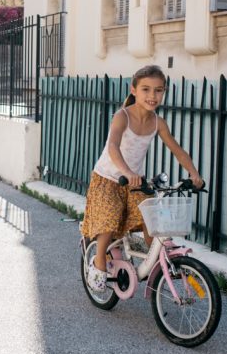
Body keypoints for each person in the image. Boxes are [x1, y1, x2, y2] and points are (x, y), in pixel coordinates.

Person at [81, 65, 204, 292]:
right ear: (134, 90)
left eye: (158, 90)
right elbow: (113, 147)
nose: (152, 96)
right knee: (109, 219)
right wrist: (127, 172)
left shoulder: (158, 123)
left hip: (134, 182)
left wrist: (194, 174)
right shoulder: (122, 116)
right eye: (146, 89)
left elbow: (177, 150)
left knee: (152, 221)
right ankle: (98, 262)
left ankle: (159, 265)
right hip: (109, 178)